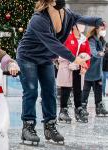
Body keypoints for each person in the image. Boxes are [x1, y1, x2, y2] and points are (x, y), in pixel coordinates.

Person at [16, 0, 105, 145]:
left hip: (45, 58)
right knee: (31, 91)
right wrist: (73, 58)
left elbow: (83, 19)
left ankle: (50, 126)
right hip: (28, 57)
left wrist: (98, 21)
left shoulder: (67, 14)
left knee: (49, 91)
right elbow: (53, 44)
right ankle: (28, 126)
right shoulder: (38, 19)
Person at [57, 24, 91, 123]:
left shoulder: (84, 40)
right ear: (74, 26)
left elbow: (87, 54)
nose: (82, 26)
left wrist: (85, 67)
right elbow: (60, 51)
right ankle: (63, 110)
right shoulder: (67, 37)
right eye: (80, 24)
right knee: (66, 88)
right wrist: (69, 61)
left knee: (78, 89)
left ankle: (78, 109)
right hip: (67, 66)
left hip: (78, 67)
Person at [81, 26, 108, 118]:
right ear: (96, 29)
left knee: (98, 89)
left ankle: (99, 106)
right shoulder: (91, 40)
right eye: (102, 28)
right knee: (86, 89)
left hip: (98, 70)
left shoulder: (101, 41)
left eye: (104, 29)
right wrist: (99, 53)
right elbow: (92, 51)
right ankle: (83, 106)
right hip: (90, 69)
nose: (104, 31)